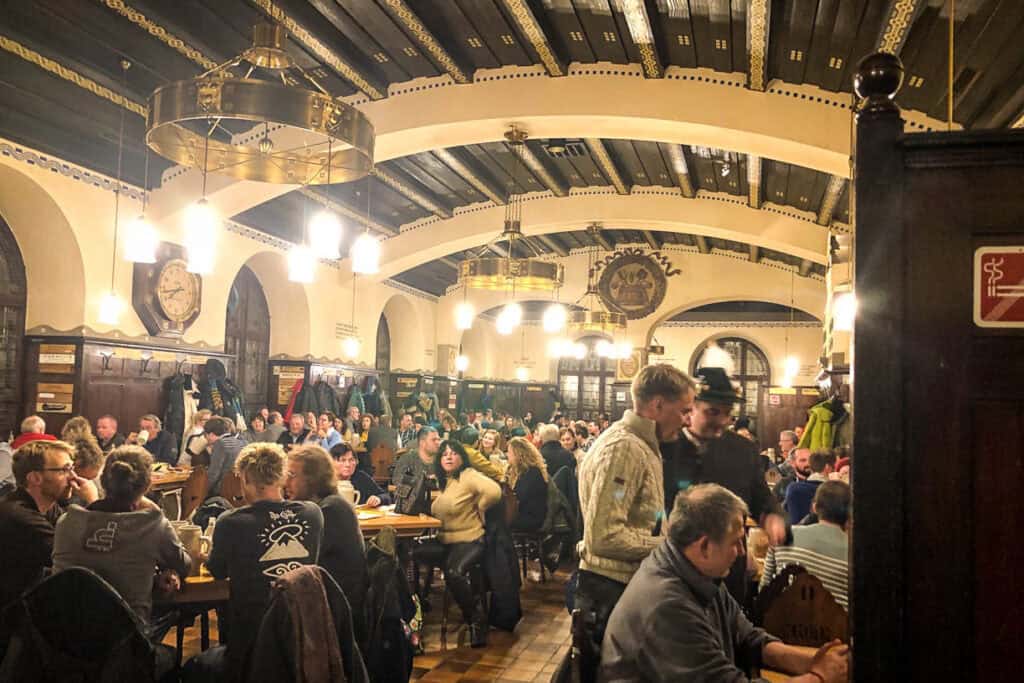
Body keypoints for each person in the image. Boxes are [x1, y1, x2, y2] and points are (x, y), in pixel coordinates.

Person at [601, 483, 849, 682]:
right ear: (704, 546)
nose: (741, 551)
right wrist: (819, 677)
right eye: (736, 541)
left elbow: (748, 638)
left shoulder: (695, 570)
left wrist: (814, 661)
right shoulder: (667, 605)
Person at [574, 364, 696, 683]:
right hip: (609, 591)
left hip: (621, 588)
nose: (688, 420)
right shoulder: (625, 448)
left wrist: (667, 528)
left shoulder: (642, 445)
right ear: (657, 405)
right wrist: (670, 547)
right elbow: (604, 536)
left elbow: (644, 515)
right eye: (684, 410)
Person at [186, 443, 324, 682]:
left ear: (246, 478)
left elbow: (217, 572)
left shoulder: (230, 522)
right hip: (302, 643)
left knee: (194, 667)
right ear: (282, 477)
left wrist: (200, 558)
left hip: (250, 647)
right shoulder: (313, 514)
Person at [660, 366, 785, 604]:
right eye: (713, 412)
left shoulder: (743, 449)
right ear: (691, 409)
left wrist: (772, 518)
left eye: (727, 413)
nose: (722, 421)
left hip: (729, 573)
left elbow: (761, 498)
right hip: (677, 571)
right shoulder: (665, 448)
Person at [52, 445, 191, 627]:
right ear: (147, 485)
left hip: (61, 635)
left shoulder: (66, 522)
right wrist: (154, 509)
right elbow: (184, 565)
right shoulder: (152, 524)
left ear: (102, 481)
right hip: (125, 637)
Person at [414, 440, 501, 647]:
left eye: (453, 453)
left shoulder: (468, 475)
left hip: (470, 540)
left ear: (462, 457)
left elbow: (494, 491)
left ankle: (476, 619)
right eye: (444, 454)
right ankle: (416, 607)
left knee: (454, 572)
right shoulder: (446, 481)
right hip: (446, 541)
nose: (449, 457)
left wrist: (480, 506)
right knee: (410, 553)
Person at [284, 445, 368, 645]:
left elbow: (302, 561)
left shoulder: (331, 510)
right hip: (327, 604)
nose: (285, 482)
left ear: (313, 479)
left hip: (337, 615)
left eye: (292, 475)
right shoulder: (323, 506)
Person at [0, 440, 82, 609]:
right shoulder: (19, 516)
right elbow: (75, 558)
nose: (73, 477)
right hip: (11, 613)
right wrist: (94, 502)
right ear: (35, 478)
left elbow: (75, 537)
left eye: (72, 468)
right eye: (65, 470)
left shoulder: (48, 506)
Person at [762, 480, 851, 609]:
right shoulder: (855, 556)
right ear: (850, 513)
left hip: (782, 619)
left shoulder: (783, 536)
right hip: (835, 621)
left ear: (814, 508)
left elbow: (764, 590)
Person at [504, 436, 548, 532]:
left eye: (509, 452)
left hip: (531, 518)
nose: (507, 455)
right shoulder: (520, 471)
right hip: (522, 513)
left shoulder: (532, 473)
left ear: (518, 454)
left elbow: (519, 497)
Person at [331, 442, 390, 507]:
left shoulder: (360, 477)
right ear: (331, 462)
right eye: (342, 460)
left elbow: (386, 496)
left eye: (351, 460)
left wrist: (378, 499)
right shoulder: (327, 481)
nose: (348, 465)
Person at [783, 450, 834, 525]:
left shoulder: (793, 488)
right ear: (827, 467)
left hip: (796, 531)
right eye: (803, 460)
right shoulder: (833, 491)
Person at [204, 416, 246, 499]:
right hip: (241, 491)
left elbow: (213, 474)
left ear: (211, 434)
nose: (206, 439)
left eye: (206, 435)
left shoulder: (220, 444)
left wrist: (202, 491)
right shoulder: (242, 442)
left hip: (223, 491)